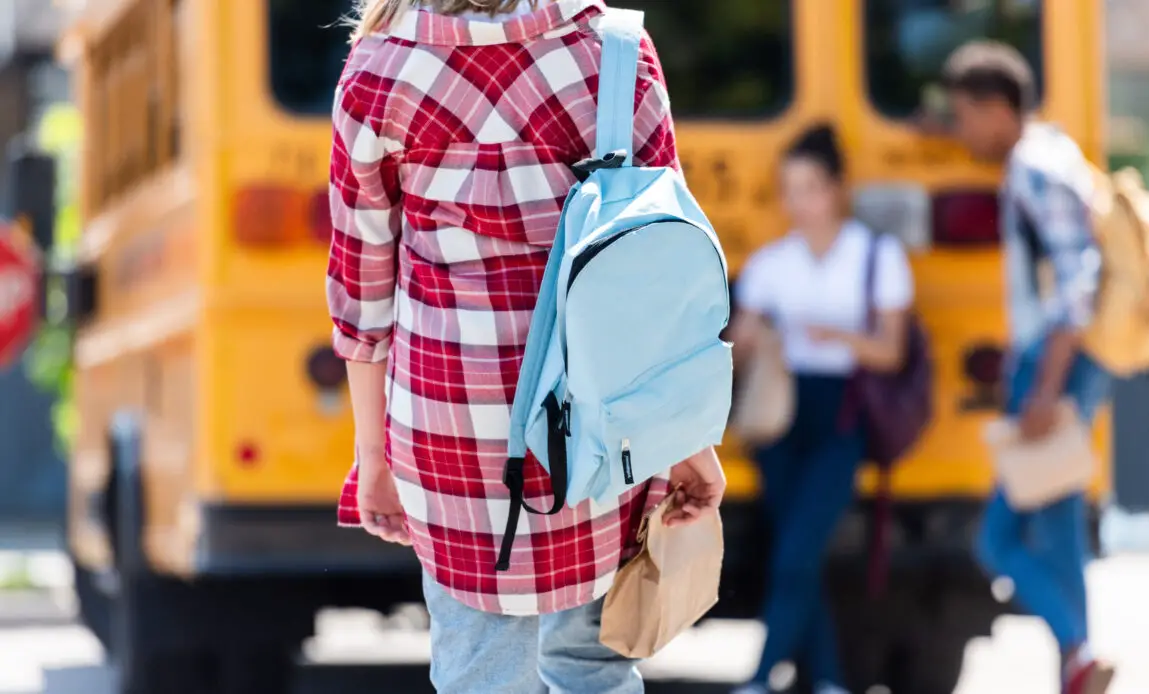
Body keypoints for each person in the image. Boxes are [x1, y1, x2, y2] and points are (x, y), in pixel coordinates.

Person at [325, 1, 726, 692]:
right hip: (598, 419)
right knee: (592, 665)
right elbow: (658, 275)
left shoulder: (376, 71)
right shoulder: (617, 52)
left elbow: (363, 295)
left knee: (480, 670)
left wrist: (373, 456)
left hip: (448, 426)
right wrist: (688, 446)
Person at [941, 41, 1114, 694]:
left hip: (1053, 363)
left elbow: (1078, 285)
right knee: (1057, 521)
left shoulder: (1034, 169)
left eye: (962, 116)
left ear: (995, 109)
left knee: (998, 538)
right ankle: (1076, 666)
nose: (959, 132)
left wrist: (1045, 390)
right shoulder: (1051, 151)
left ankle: (1078, 648)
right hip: (1057, 361)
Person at [728, 124, 915, 694]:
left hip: (841, 415)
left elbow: (891, 351)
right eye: (789, 189)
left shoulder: (875, 256)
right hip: (779, 415)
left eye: (809, 186)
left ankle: (763, 677)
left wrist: (835, 335)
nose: (798, 201)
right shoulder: (769, 263)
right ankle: (829, 678)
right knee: (795, 552)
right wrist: (751, 337)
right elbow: (735, 348)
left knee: (796, 553)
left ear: (836, 188)